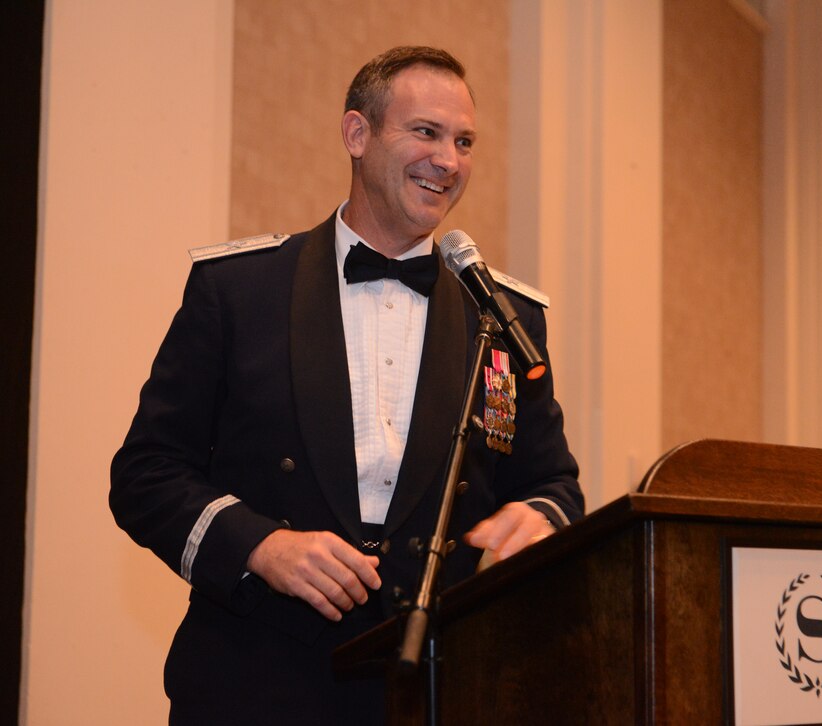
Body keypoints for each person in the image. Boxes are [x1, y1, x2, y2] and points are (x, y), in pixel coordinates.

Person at [110, 46, 583, 725]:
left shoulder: (504, 317)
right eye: (425, 132)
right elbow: (147, 474)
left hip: (438, 692)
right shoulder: (238, 291)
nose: (448, 161)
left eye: (464, 141)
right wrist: (259, 545)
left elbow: (554, 483)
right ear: (356, 134)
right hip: (255, 686)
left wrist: (539, 519)